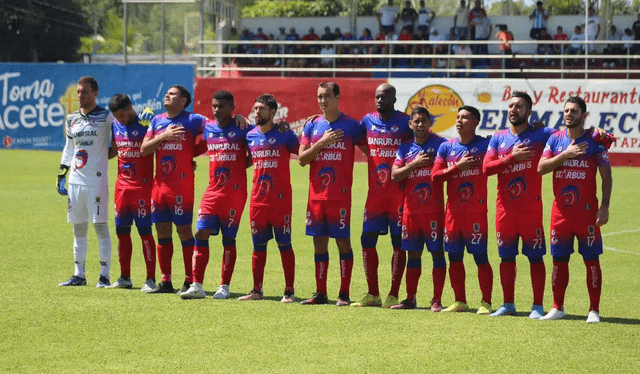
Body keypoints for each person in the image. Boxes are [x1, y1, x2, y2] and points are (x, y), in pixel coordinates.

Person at [537, 96, 613, 323]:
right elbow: (541, 168)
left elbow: (606, 175)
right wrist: (565, 155)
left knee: (591, 260)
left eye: (574, 111)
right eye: (566, 110)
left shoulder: (594, 141)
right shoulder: (555, 140)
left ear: (584, 116)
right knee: (559, 260)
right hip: (560, 213)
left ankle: (594, 310)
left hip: (587, 212)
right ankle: (557, 307)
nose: (569, 114)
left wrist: (605, 206)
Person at [482, 92, 551, 319]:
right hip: (505, 210)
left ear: (528, 112)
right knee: (506, 257)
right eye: (511, 106)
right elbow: (487, 168)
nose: (513, 109)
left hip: (531, 209)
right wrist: (512, 158)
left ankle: (538, 306)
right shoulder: (498, 138)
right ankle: (508, 304)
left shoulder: (541, 135)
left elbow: (567, 135)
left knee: (535, 257)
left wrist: (595, 133)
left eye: (518, 106)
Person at [180, 91, 254, 299]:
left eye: (221, 106)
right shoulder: (208, 127)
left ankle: (224, 286)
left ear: (232, 108)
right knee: (201, 234)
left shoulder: (242, 129)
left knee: (229, 239)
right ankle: (197, 286)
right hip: (212, 192)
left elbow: (254, 154)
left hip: (234, 194)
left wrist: (239, 166)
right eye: (214, 106)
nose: (216, 110)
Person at [298, 82, 366, 306]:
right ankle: (320, 293)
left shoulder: (351, 127)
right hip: (316, 196)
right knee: (319, 244)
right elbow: (302, 159)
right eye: (319, 97)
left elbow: (371, 153)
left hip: (340, 197)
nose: (322, 101)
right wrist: (322, 142)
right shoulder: (312, 126)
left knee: (343, 243)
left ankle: (344, 294)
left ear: (338, 97)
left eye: (327, 96)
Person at [140, 85, 207, 295]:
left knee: (184, 231)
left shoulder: (193, 120)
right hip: (159, 186)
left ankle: (189, 281)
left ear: (183, 101)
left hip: (181, 187)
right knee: (162, 232)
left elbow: (216, 129)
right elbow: (144, 149)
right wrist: (164, 136)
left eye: (172, 94)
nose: (167, 96)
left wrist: (190, 155)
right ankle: (165, 281)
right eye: (166, 93)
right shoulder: (157, 121)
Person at [352, 83, 413, 308]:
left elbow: (425, 138)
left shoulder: (405, 123)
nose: (379, 100)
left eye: (384, 97)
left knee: (399, 244)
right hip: (375, 196)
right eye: (377, 96)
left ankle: (394, 294)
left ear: (394, 99)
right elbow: (351, 132)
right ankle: (373, 293)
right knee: (367, 241)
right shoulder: (367, 121)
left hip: (398, 196)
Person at [432, 106, 493, 315]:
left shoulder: (485, 145)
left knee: (480, 257)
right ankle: (460, 301)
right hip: (453, 213)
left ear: (475, 123)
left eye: (465, 117)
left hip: (476, 212)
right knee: (454, 258)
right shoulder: (446, 148)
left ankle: (486, 302)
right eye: (457, 117)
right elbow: (435, 177)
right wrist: (458, 167)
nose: (459, 121)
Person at [239, 94, 299, 303]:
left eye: (261, 109)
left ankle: (289, 291)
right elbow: (244, 161)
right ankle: (257, 289)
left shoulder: (285, 135)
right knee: (258, 246)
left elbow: (304, 153)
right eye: (255, 108)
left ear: (273, 113)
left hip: (280, 200)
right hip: (257, 200)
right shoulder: (250, 136)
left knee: (285, 245)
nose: (257, 112)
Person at [57, 76, 114, 288]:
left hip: (96, 181)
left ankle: (104, 276)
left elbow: (118, 141)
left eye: (85, 92)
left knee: (100, 227)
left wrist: (102, 157)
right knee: (78, 229)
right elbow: (69, 148)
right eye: (79, 92)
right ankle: (79, 274)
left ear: (95, 93)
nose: (80, 96)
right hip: (75, 182)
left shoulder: (106, 117)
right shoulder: (71, 119)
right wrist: (62, 173)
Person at [389, 106, 447, 310]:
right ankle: (410, 298)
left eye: (424, 120)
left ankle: (437, 299)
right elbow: (394, 175)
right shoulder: (404, 148)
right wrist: (414, 165)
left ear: (430, 122)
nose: (421, 125)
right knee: (413, 254)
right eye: (417, 121)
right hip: (411, 211)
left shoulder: (441, 145)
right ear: (410, 124)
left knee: (437, 253)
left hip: (434, 210)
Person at [107, 94, 157, 292]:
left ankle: (151, 279)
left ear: (130, 108)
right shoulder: (115, 126)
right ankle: (124, 276)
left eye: (122, 115)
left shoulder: (147, 122)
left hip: (142, 188)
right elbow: (111, 150)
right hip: (121, 188)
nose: (120, 120)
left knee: (145, 232)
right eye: (117, 117)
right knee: (122, 233)